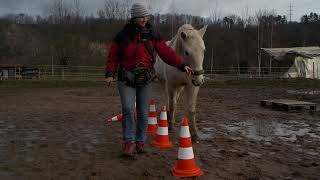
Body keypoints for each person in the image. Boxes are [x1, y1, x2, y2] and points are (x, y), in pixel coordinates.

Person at [105, 3, 193, 157]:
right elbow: (113, 56)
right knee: (127, 110)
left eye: (146, 16)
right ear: (134, 17)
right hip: (126, 78)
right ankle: (129, 143)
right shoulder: (122, 36)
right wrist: (110, 73)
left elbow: (166, 53)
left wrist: (181, 64)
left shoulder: (152, 35)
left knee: (143, 112)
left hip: (145, 78)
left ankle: (140, 142)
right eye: (141, 16)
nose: (145, 19)